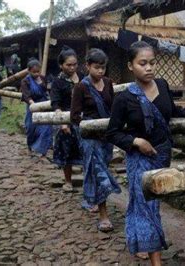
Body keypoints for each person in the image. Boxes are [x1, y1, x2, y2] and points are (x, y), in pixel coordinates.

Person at [106, 41, 185, 265]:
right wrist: (136, 141)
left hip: (161, 155)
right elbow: (112, 133)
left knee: (151, 204)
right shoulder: (124, 98)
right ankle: (156, 260)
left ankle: (144, 242)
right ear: (131, 66)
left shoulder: (162, 85)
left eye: (152, 63)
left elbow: (174, 109)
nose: (149, 68)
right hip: (139, 159)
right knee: (145, 205)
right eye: (142, 63)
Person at [70, 48, 121, 230]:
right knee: (99, 173)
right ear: (88, 66)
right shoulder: (81, 87)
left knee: (100, 169)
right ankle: (103, 215)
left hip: (106, 137)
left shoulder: (108, 83)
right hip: (90, 138)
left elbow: (113, 108)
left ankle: (93, 199)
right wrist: (90, 125)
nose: (101, 71)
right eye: (97, 67)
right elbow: (75, 116)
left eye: (103, 68)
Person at [50, 46, 83, 192]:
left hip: (84, 119)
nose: (72, 67)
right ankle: (68, 181)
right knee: (66, 151)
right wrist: (63, 122)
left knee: (86, 150)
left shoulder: (82, 77)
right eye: (68, 65)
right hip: (66, 120)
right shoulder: (58, 82)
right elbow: (55, 103)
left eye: (74, 64)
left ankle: (88, 181)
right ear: (61, 65)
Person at [21, 59, 53, 161]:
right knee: (31, 128)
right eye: (34, 72)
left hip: (43, 105)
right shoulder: (25, 81)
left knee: (46, 128)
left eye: (38, 71)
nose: (36, 74)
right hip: (32, 106)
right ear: (29, 71)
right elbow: (26, 95)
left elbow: (46, 91)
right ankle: (30, 146)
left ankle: (43, 153)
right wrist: (33, 104)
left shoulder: (43, 78)